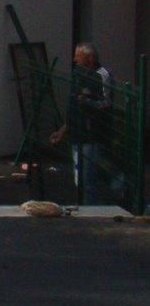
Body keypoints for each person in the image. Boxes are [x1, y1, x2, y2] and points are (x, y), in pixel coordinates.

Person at [50, 43, 117, 205]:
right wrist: (63, 130)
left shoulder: (102, 75)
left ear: (90, 58)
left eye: (78, 56)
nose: (74, 59)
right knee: (80, 174)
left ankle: (91, 208)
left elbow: (106, 103)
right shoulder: (79, 73)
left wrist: (87, 101)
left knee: (87, 178)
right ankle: (111, 182)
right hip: (77, 131)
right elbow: (74, 107)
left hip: (91, 133)